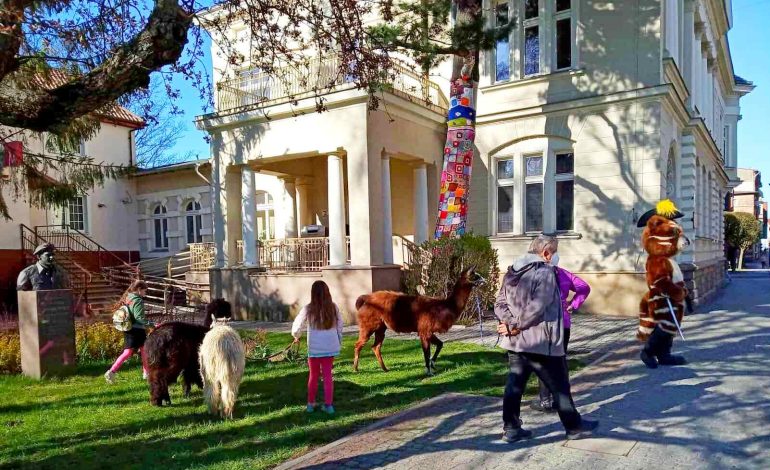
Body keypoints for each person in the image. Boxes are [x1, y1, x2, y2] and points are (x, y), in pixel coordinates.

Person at [494, 234, 598, 442]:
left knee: (514, 385)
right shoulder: (545, 272)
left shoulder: (512, 271)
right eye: (555, 251)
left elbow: (499, 304)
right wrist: (513, 325)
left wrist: (510, 324)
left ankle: (512, 428)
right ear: (546, 253)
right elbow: (537, 307)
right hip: (542, 342)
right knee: (559, 385)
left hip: (517, 342)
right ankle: (574, 427)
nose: (555, 256)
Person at [531, 263, 591, 413]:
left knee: (544, 362)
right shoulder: (563, 273)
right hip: (563, 323)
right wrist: (574, 304)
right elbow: (584, 287)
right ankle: (561, 400)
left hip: (544, 323)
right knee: (560, 362)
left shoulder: (535, 274)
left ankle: (545, 400)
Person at [291, 280, 344, 414]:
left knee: (313, 376)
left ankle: (310, 404)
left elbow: (298, 324)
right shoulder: (333, 307)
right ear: (327, 292)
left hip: (314, 348)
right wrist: (338, 339)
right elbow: (340, 325)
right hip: (330, 347)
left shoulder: (308, 308)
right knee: (327, 376)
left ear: (313, 293)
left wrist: (296, 335)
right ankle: (329, 406)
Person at [105, 280, 154, 384]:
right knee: (141, 351)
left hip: (128, 328)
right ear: (139, 290)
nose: (145, 293)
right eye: (145, 291)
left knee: (135, 351)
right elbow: (139, 317)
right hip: (137, 330)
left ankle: (146, 373)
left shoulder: (129, 298)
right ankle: (112, 372)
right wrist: (151, 324)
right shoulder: (138, 300)